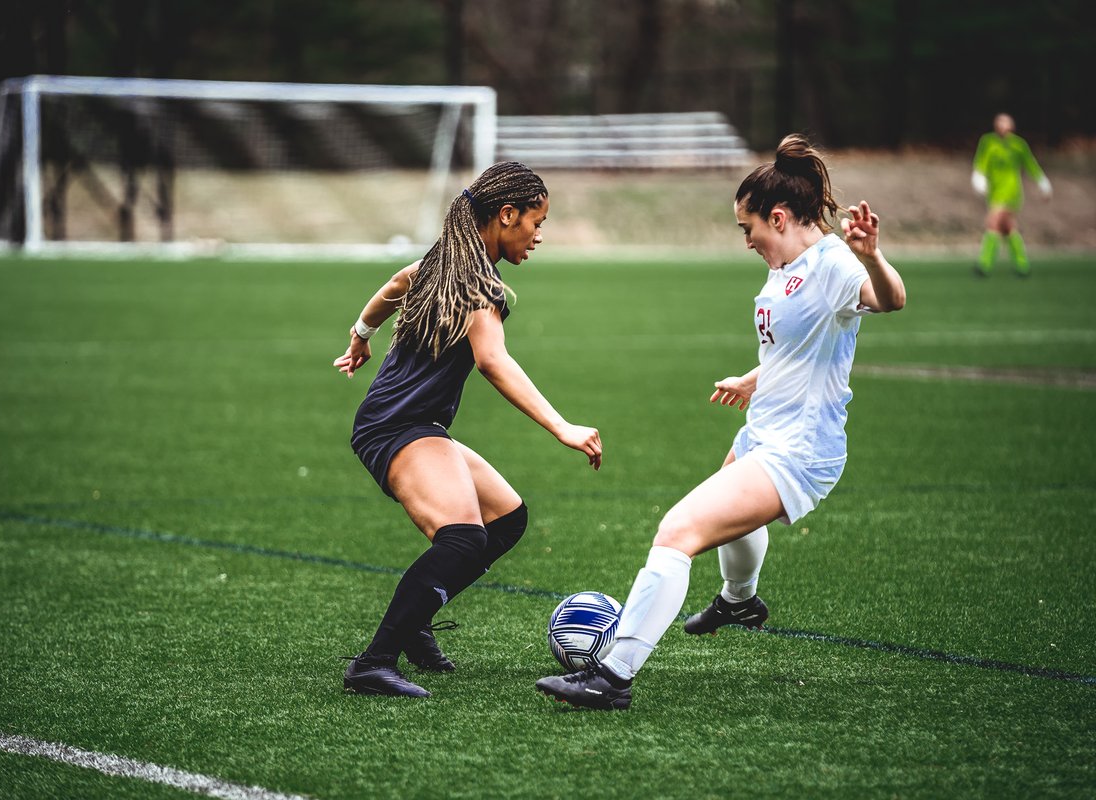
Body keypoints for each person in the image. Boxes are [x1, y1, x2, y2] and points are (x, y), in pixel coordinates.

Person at [536, 134, 907, 710]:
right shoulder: (788, 266)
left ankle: (612, 676)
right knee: (727, 515)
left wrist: (872, 258)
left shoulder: (833, 263)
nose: (748, 240)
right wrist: (751, 378)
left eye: (748, 228)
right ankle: (739, 602)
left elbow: (890, 300)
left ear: (778, 217)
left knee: (678, 532)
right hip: (764, 430)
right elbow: (799, 349)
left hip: (799, 449)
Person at [334, 161, 603, 698]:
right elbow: (494, 362)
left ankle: (413, 626)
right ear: (507, 216)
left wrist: (361, 334)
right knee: (462, 539)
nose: (539, 235)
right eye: (536, 221)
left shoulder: (442, 262)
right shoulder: (479, 286)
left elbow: (395, 282)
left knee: (506, 519)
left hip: (410, 423)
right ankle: (375, 661)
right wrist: (561, 426)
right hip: (397, 426)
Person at [971, 113, 1052, 277]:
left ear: (1012, 126)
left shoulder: (1018, 145)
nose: (1002, 126)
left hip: (1011, 192)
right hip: (994, 192)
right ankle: (1023, 265)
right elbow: (981, 162)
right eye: (999, 122)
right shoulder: (988, 142)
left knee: (992, 223)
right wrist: (978, 178)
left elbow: (1031, 165)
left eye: (1005, 123)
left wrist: (1043, 183)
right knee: (1008, 228)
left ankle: (984, 265)